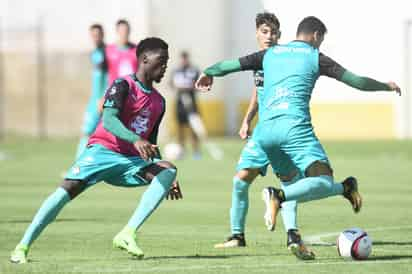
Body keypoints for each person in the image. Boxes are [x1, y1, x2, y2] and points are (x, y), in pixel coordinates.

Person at [196, 16, 401, 258]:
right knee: (322, 180)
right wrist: (385, 86)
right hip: (294, 130)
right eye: (320, 40)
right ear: (316, 36)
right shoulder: (316, 56)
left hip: (264, 133)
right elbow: (356, 81)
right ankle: (279, 196)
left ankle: (294, 237)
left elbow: (229, 65)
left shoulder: (269, 54)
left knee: (292, 181)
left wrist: (209, 72)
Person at [10, 37, 182, 264]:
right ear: (144, 59)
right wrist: (135, 139)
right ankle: (22, 247)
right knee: (66, 190)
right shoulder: (123, 85)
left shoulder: (159, 101)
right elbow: (109, 120)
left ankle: (127, 234)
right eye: (161, 61)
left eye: (167, 62)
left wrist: (163, 175)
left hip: (130, 162)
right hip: (102, 151)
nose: (165, 66)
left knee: (169, 169)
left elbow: (150, 142)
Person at [214, 12, 313, 260]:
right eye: (264, 32)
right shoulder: (259, 60)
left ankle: (292, 234)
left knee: (289, 184)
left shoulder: (283, 59)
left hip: (283, 130)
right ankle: (237, 236)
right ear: (257, 34)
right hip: (262, 132)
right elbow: (258, 91)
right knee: (240, 180)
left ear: (279, 35)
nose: (269, 37)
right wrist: (247, 119)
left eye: (273, 32)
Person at [75, 24, 108, 158]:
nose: (96, 38)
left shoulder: (106, 53)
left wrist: (104, 97)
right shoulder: (95, 53)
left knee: (87, 132)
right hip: (94, 99)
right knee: (89, 133)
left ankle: (78, 167)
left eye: (98, 35)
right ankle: (81, 165)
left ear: (103, 35)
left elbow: (109, 76)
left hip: (101, 100)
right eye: (93, 35)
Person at [170, 51, 202, 158]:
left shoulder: (194, 70)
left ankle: (196, 151)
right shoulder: (176, 71)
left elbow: (199, 85)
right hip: (180, 103)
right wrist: (177, 86)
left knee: (193, 127)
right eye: (182, 58)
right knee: (180, 128)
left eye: (185, 58)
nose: (184, 61)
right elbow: (171, 84)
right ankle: (181, 150)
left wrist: (189, 87)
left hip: (191, 102)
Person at [105, 19, 138, 86]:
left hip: (133, 91)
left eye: (126, 31)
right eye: (122, 31)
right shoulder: (108, 50)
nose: (124, 34)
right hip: (115, 92)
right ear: (117, 31)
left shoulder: (137, 50)